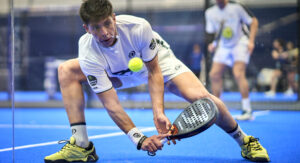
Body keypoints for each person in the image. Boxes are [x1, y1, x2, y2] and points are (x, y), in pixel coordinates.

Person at [44, 0, 270, 162]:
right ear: (86, 28)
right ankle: (81, 146)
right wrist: (139, 139)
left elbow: (154, 72)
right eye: (96, 27)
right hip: (117, 72)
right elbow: (110, 103)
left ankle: (245, 141)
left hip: (158, 63)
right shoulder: (87, 49)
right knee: (66, 70)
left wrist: (158, 113)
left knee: (204, 99)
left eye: (107, 23)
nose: (104, 32)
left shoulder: (138, 27)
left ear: (114, 18)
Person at [205, 0, 259, 120]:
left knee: (238, 73)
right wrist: (213, 43)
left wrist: (251, 41)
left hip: (241, 42)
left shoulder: (237, 7)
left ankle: (247, 110)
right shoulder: (209, 12)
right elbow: (216, 31)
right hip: (224, 46)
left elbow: (254, 21)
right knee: (214, 74)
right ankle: (219, 109)